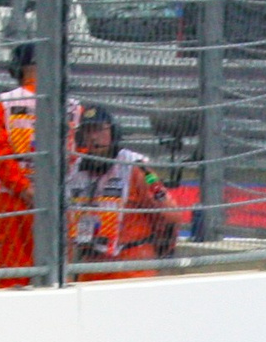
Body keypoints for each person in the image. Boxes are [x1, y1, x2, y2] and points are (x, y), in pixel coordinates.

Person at [0, 43, 80, 289]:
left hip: (16, 200)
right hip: (59, 197)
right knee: (59, 272)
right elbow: (78, 154)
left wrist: (25, 188)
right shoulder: (73, 106)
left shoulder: (4, 104)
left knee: (14, 272)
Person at [65, 105, 182, 281]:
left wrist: (164, 251)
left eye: (98, 130)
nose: (93, 137)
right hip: (90, 265)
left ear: (114, 132)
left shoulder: (136, 168)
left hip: (132, 265)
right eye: (87, 131)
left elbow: (171, 215)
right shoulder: (75, 171)